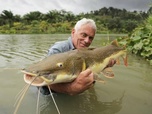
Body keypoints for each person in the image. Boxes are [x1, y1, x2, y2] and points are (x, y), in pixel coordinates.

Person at [40, 18, 115, 95]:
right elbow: (43, 79)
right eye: (84, 35)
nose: (87, 41)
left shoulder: (86, 51)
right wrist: (71, 89)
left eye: (90, 38)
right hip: (53, 96)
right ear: (73, 32)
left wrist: (104, 66)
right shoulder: (57, 50)